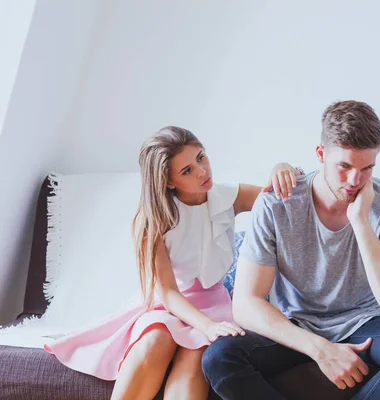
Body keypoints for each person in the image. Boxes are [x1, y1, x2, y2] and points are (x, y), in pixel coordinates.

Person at [202, 101, 380, 399]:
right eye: (344, 166)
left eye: (367, 168)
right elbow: (246, 303)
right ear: (321, 155)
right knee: (219, 357)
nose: (355, 181)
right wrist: (321, 349)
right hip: (295, 325)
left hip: (365, 325)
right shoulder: (277, 203)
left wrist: (361, 223)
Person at [44, 126, 301, 400]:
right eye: (187, 170)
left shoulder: (229, 197)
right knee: (157, 338)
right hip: (168, 303)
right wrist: (206, 325)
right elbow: (167, 292)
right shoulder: (153, 221)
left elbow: (282, 198)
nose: (202, 171)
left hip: (216, 302)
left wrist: (284, 168)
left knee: (197, 355)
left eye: (201, 157)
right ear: (168, 182)